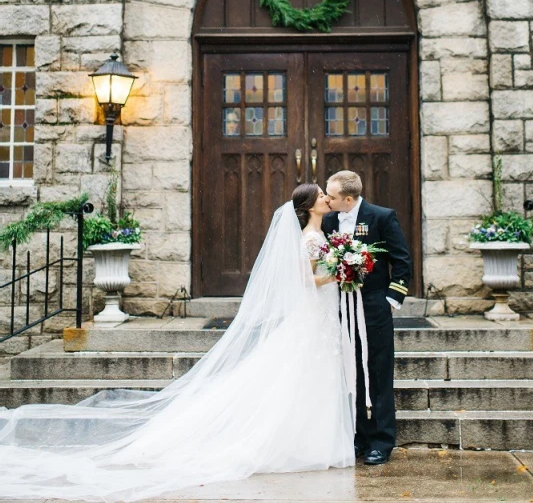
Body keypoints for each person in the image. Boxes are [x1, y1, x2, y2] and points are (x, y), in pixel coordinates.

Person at [0, 189, 354, 502]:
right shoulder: (309, 237)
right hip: (312, 315)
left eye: (327, 193)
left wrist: (340, 267)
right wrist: (338, 273)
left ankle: (314, 442)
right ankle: (300, 444)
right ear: (309, 205)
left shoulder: (320, 234)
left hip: (320, 317)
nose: (327, 197)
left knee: (309, 377)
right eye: (322, 194)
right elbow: (306, 280)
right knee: (300, 373)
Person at [324, 170, 412, 466]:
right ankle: (359, 436)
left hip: (374, 306)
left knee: (378, 369)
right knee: (351, 370)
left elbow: (401, 260)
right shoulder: (328, 220)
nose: (326, 199)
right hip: (341, 307)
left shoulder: (382, 217)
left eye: (331, 196)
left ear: (348, 199)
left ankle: (382, 440)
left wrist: (391, 300)